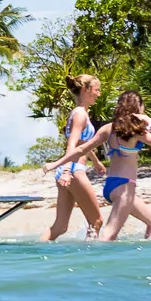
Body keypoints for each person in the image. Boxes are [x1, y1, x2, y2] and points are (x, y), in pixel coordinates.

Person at [44, 88, 151, 240]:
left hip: (111, 187)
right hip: (125, 188)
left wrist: (56, 164)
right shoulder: (137, 132)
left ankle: (142, 259)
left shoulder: (108, 128)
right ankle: (91, 260)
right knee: (108, 235)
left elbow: (81, 149)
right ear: (139, 108)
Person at [43, 73, 104, 242]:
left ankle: (36, 253)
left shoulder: (79, 113)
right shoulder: (80, 115)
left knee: (60, 227)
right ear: (86, 90)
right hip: (73, 170)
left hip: (70, 169)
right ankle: (89, 259)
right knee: (96, 221)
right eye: (97, 90)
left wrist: (96, 161)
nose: (99, 94)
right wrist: (67, 171)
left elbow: (82, 144)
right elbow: (72, 144)